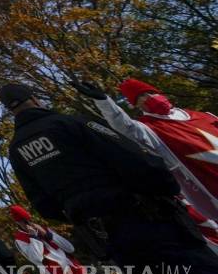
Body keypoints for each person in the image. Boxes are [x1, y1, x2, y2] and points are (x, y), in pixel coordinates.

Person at [1, 82, 218, 274]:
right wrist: (166, 187)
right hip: (152, 220)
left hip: (111, 237)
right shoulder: (72, 123)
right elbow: (133, 158)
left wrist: (84, 211)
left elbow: (45, 206)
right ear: (34, 98)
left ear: (10, 110)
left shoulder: (17, 151)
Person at [74, 79, 218, 249]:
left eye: (150, 92)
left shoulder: (204, 115)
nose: (149, 97)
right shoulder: (148, 129)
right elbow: (124, 125)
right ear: (136, 105)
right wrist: (104, 101)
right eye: (141, 97)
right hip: (210, 187)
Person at [8, 204, 121, 274]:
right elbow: (36, 258)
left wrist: (48, 235)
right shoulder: (20, 239)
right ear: (17, 223)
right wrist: (34, 238)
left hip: (72, 267)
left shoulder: (44, 229)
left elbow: (70, 248)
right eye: (23, 222)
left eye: (28, 220)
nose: (27, 224)